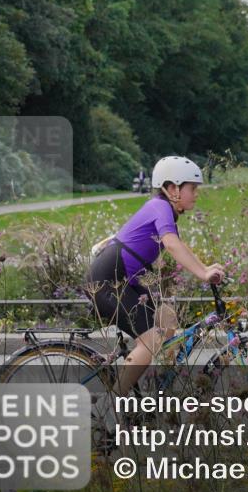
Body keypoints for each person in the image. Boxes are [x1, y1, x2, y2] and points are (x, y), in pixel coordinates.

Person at [87, 156, 225, 398]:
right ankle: (111, 405)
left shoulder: (164, 210)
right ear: (172, 189)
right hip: (108, 280)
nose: (196, 194)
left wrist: (205, 267)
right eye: (192, 188)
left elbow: (176, 243)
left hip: (126, 280)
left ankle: (159, 386)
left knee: (168, 319)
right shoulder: (159, 207)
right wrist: (203, 273)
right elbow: (171, 244)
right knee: (151, 341)